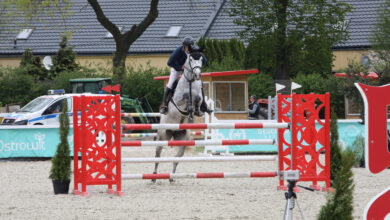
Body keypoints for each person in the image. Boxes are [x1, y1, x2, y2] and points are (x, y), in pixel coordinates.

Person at [159, 36, 212, 115]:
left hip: (190, 70)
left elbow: (204, 60)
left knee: (200, 84)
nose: (188, 49)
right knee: (170, 84)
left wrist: (197, 66)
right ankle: (165, 105)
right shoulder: (179, 51)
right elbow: (169, 62)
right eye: (187, 47)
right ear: (184, 47)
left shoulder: (194, 50)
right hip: (177, 69)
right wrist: (180, 68)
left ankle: (204, 105)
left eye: (190, 47)